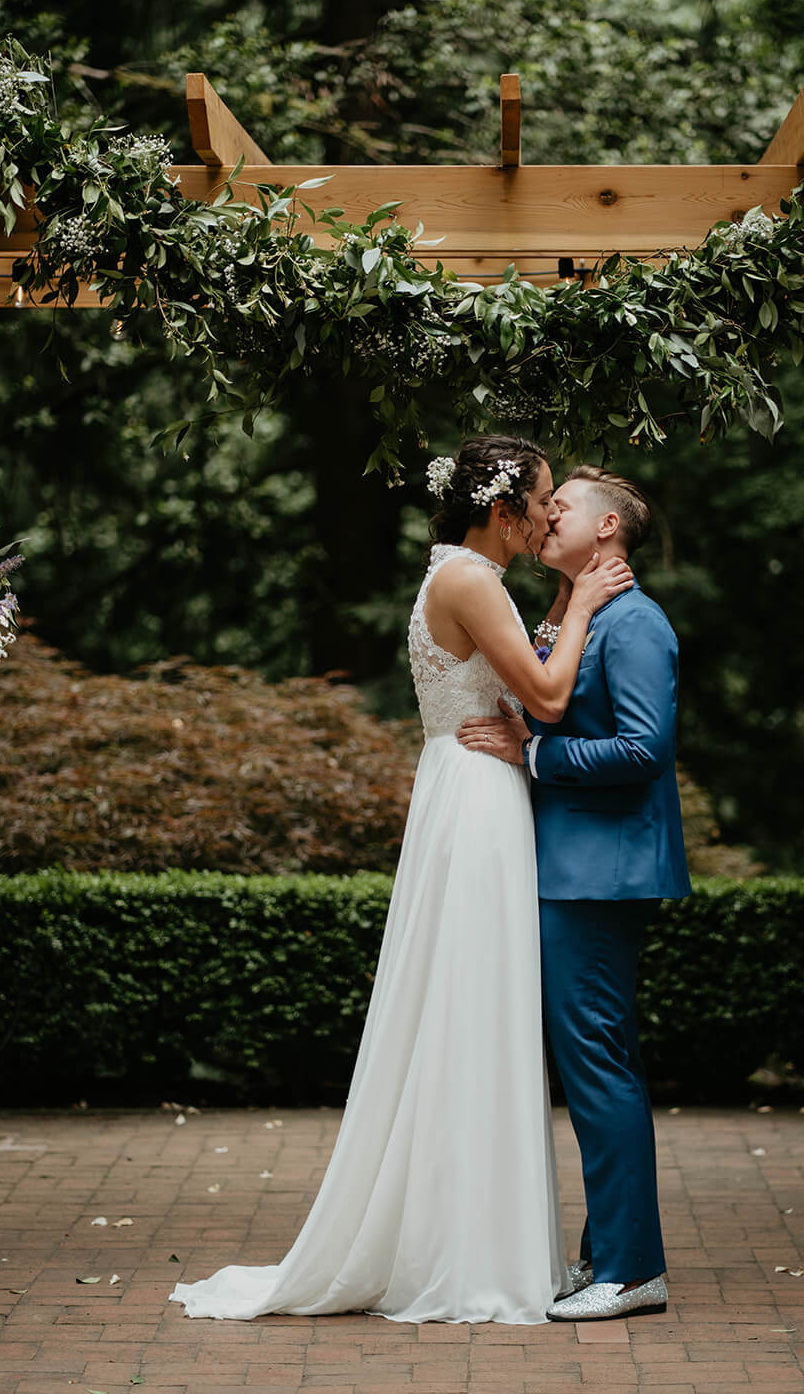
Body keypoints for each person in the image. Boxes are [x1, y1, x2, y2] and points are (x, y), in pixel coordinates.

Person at [169, 434, 633, 1325]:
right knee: (473, 1008)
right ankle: (467, 1254)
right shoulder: (469, 580)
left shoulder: (456, 574)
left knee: (473, 1008)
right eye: (539, 500)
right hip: (475, 798)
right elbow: (542, 697)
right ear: (502, 511)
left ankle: (473, 1236)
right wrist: (578, 606)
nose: (546, 515)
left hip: (469, 786)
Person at [457, 465, 691, 1322]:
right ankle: (609, 1254)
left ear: (607, 532)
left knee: (596, 1063)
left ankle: (631, 1271)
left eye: (562, 508)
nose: (545, 516)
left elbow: (641, 750)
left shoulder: (635, 624)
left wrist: (534, 757)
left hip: (601, 876)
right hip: (565, 867)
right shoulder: (574, 614)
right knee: (591, 1061)